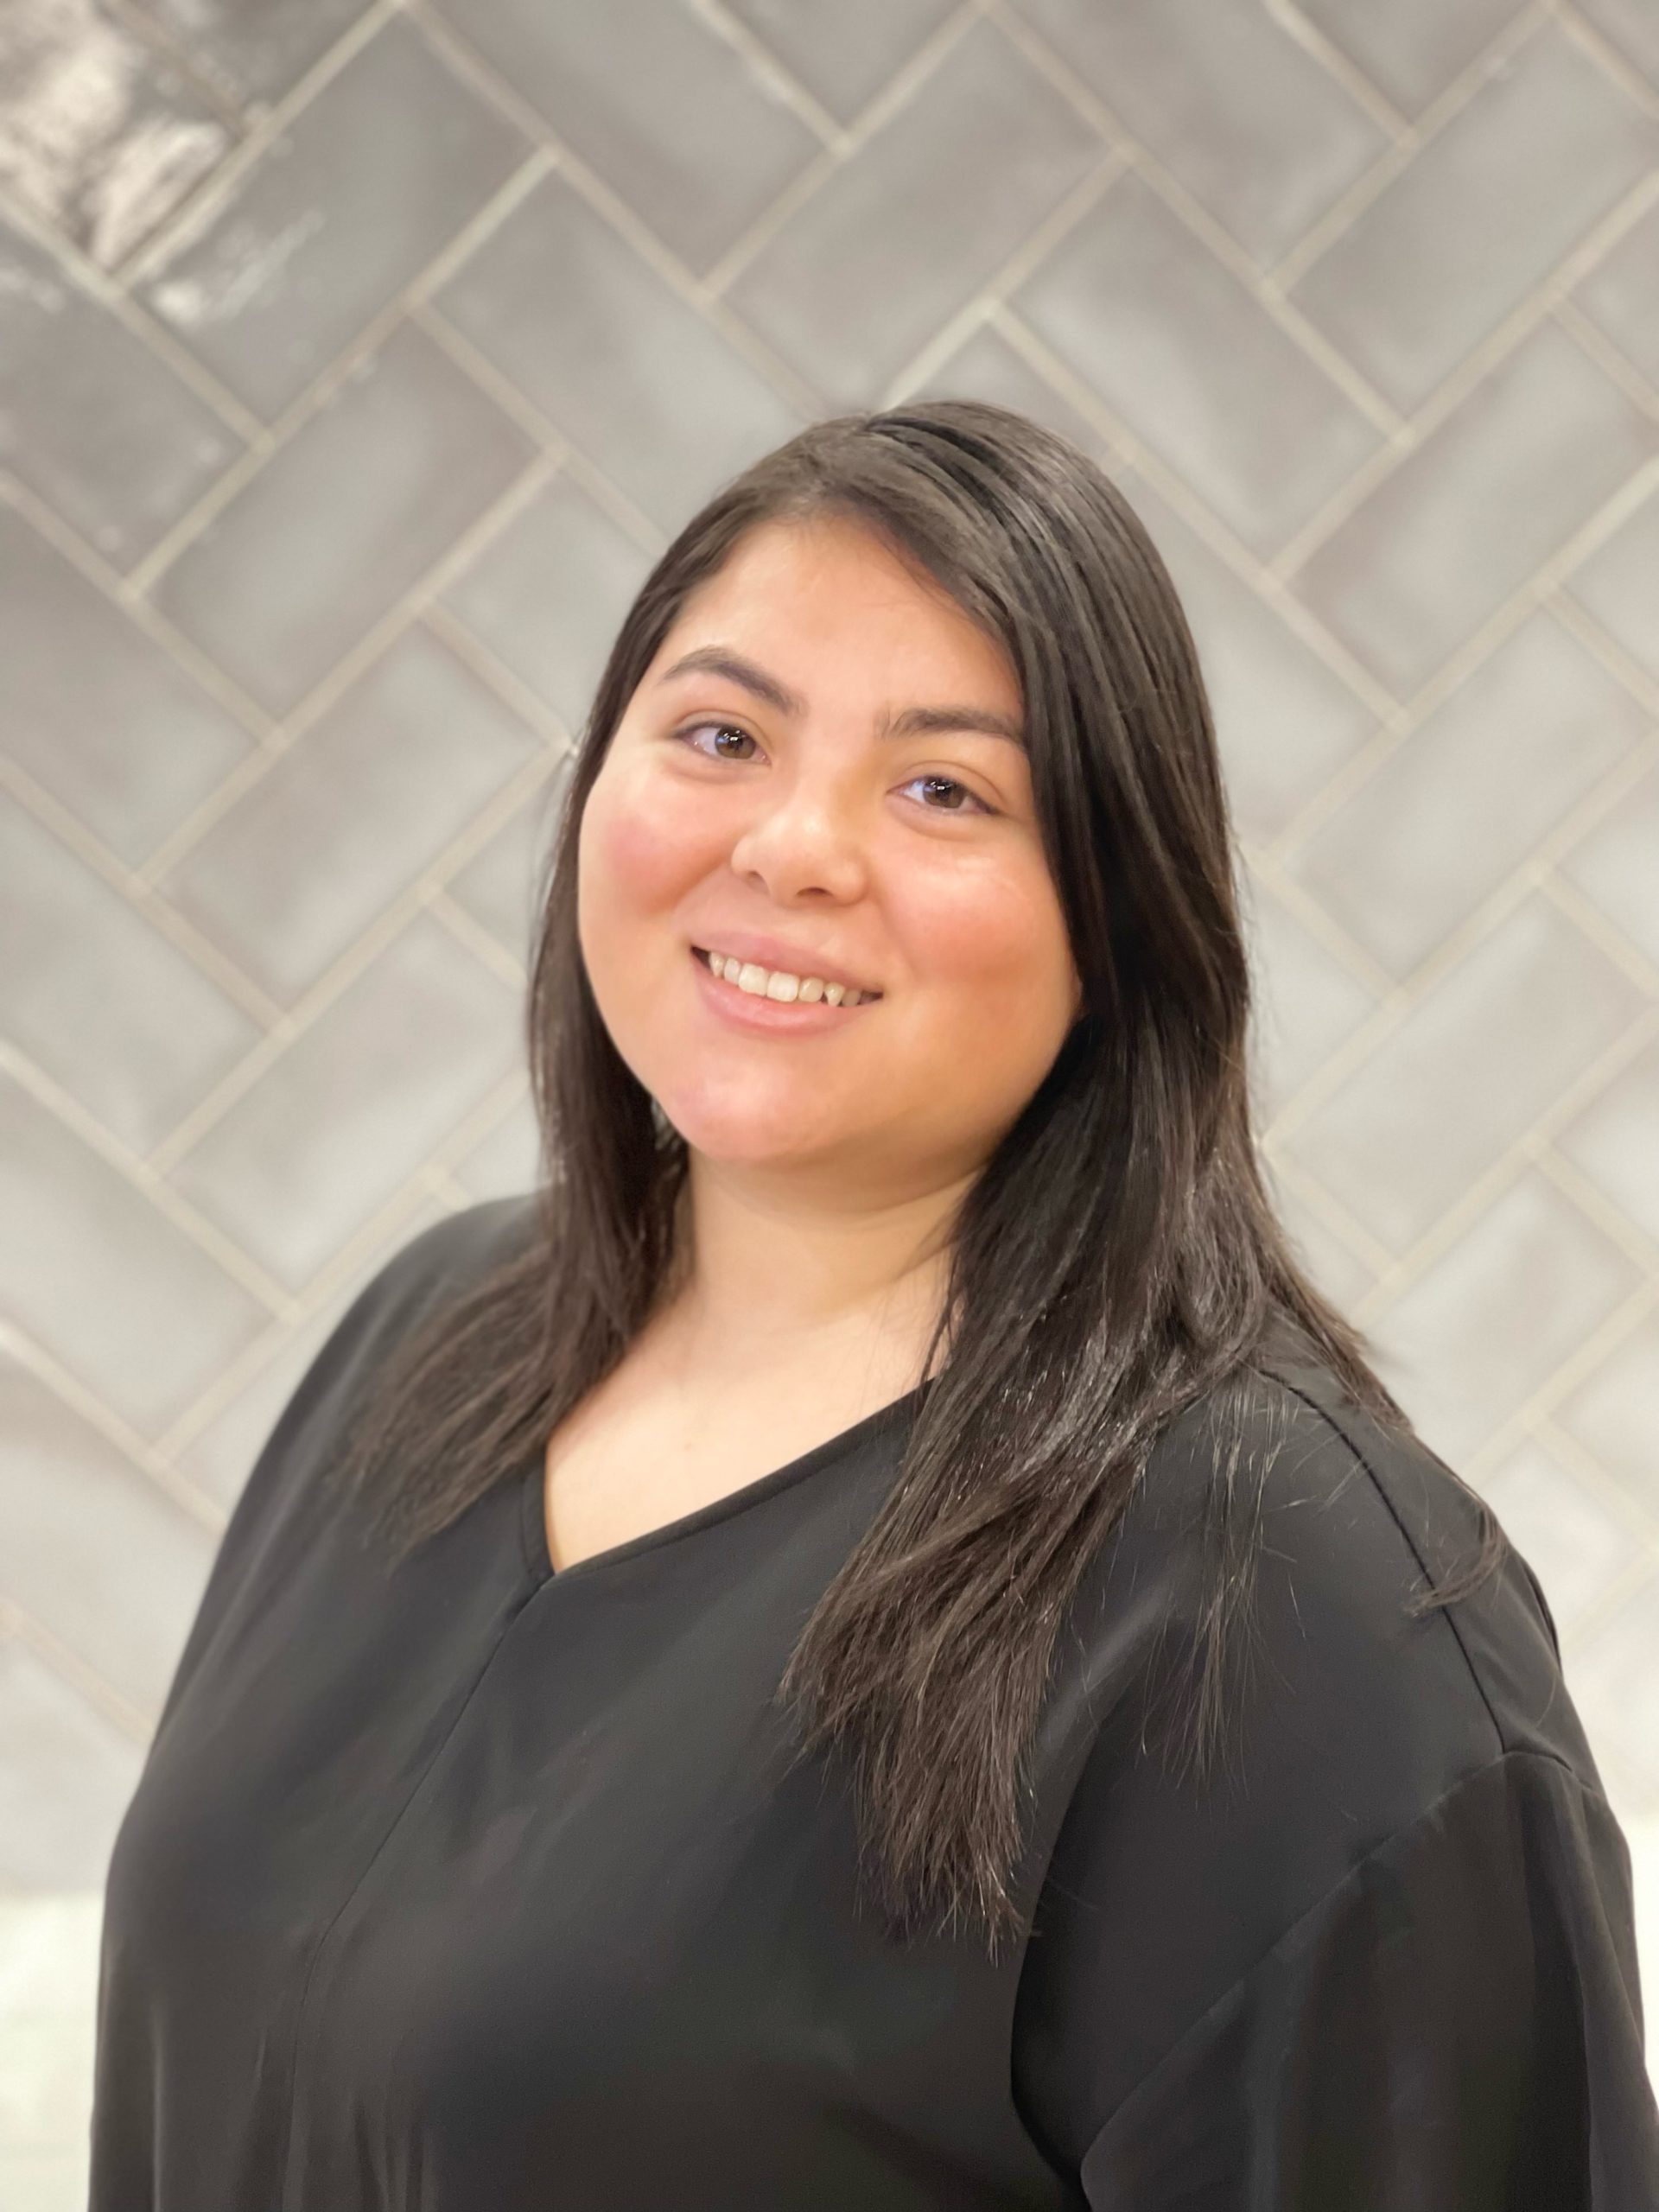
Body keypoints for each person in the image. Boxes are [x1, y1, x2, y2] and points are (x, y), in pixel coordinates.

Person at [89, 401, 1658, 2208]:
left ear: (1118, 913)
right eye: (719, 732)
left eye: (944, 788)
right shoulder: (430, 1343)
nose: (794, 844)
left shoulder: (1282, 1595)